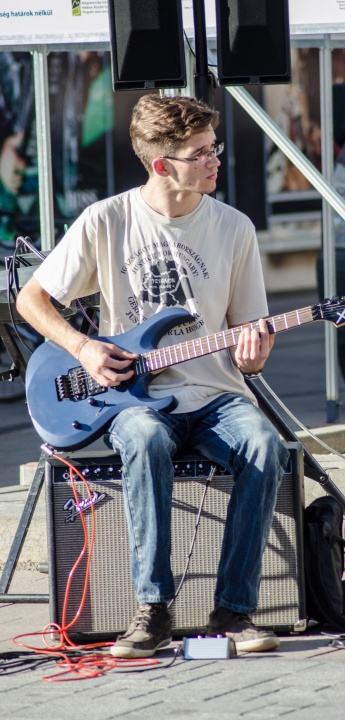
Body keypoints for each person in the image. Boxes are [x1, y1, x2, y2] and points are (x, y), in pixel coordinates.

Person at [16, 94, 289, 659]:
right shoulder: (106, 220)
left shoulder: (235, 228)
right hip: (132, 400)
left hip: (216, 396)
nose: (216, 160)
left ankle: (233, 611)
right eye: (201, 153)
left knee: (264, 444)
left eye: (214, 147)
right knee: (143, 439)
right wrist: (84, 348)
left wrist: (253, 358)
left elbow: (248, 344)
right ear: (162, 164)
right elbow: (30, 300)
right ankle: (153, 610)